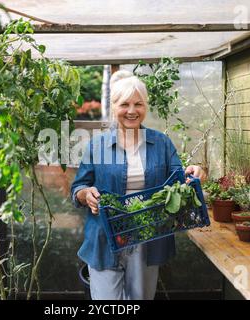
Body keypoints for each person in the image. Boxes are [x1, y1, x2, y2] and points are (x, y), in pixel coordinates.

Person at [70, 70, 206, 300]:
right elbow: (78, 188)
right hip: (104, 237)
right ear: (114, 107)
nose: (132, 111)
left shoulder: (160, 143)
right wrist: (86, 194)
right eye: (125, 104)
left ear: (145, 107)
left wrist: (193, 173)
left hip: (147, 237)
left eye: (138, 104)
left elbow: (177, 180)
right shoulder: (97, 146)